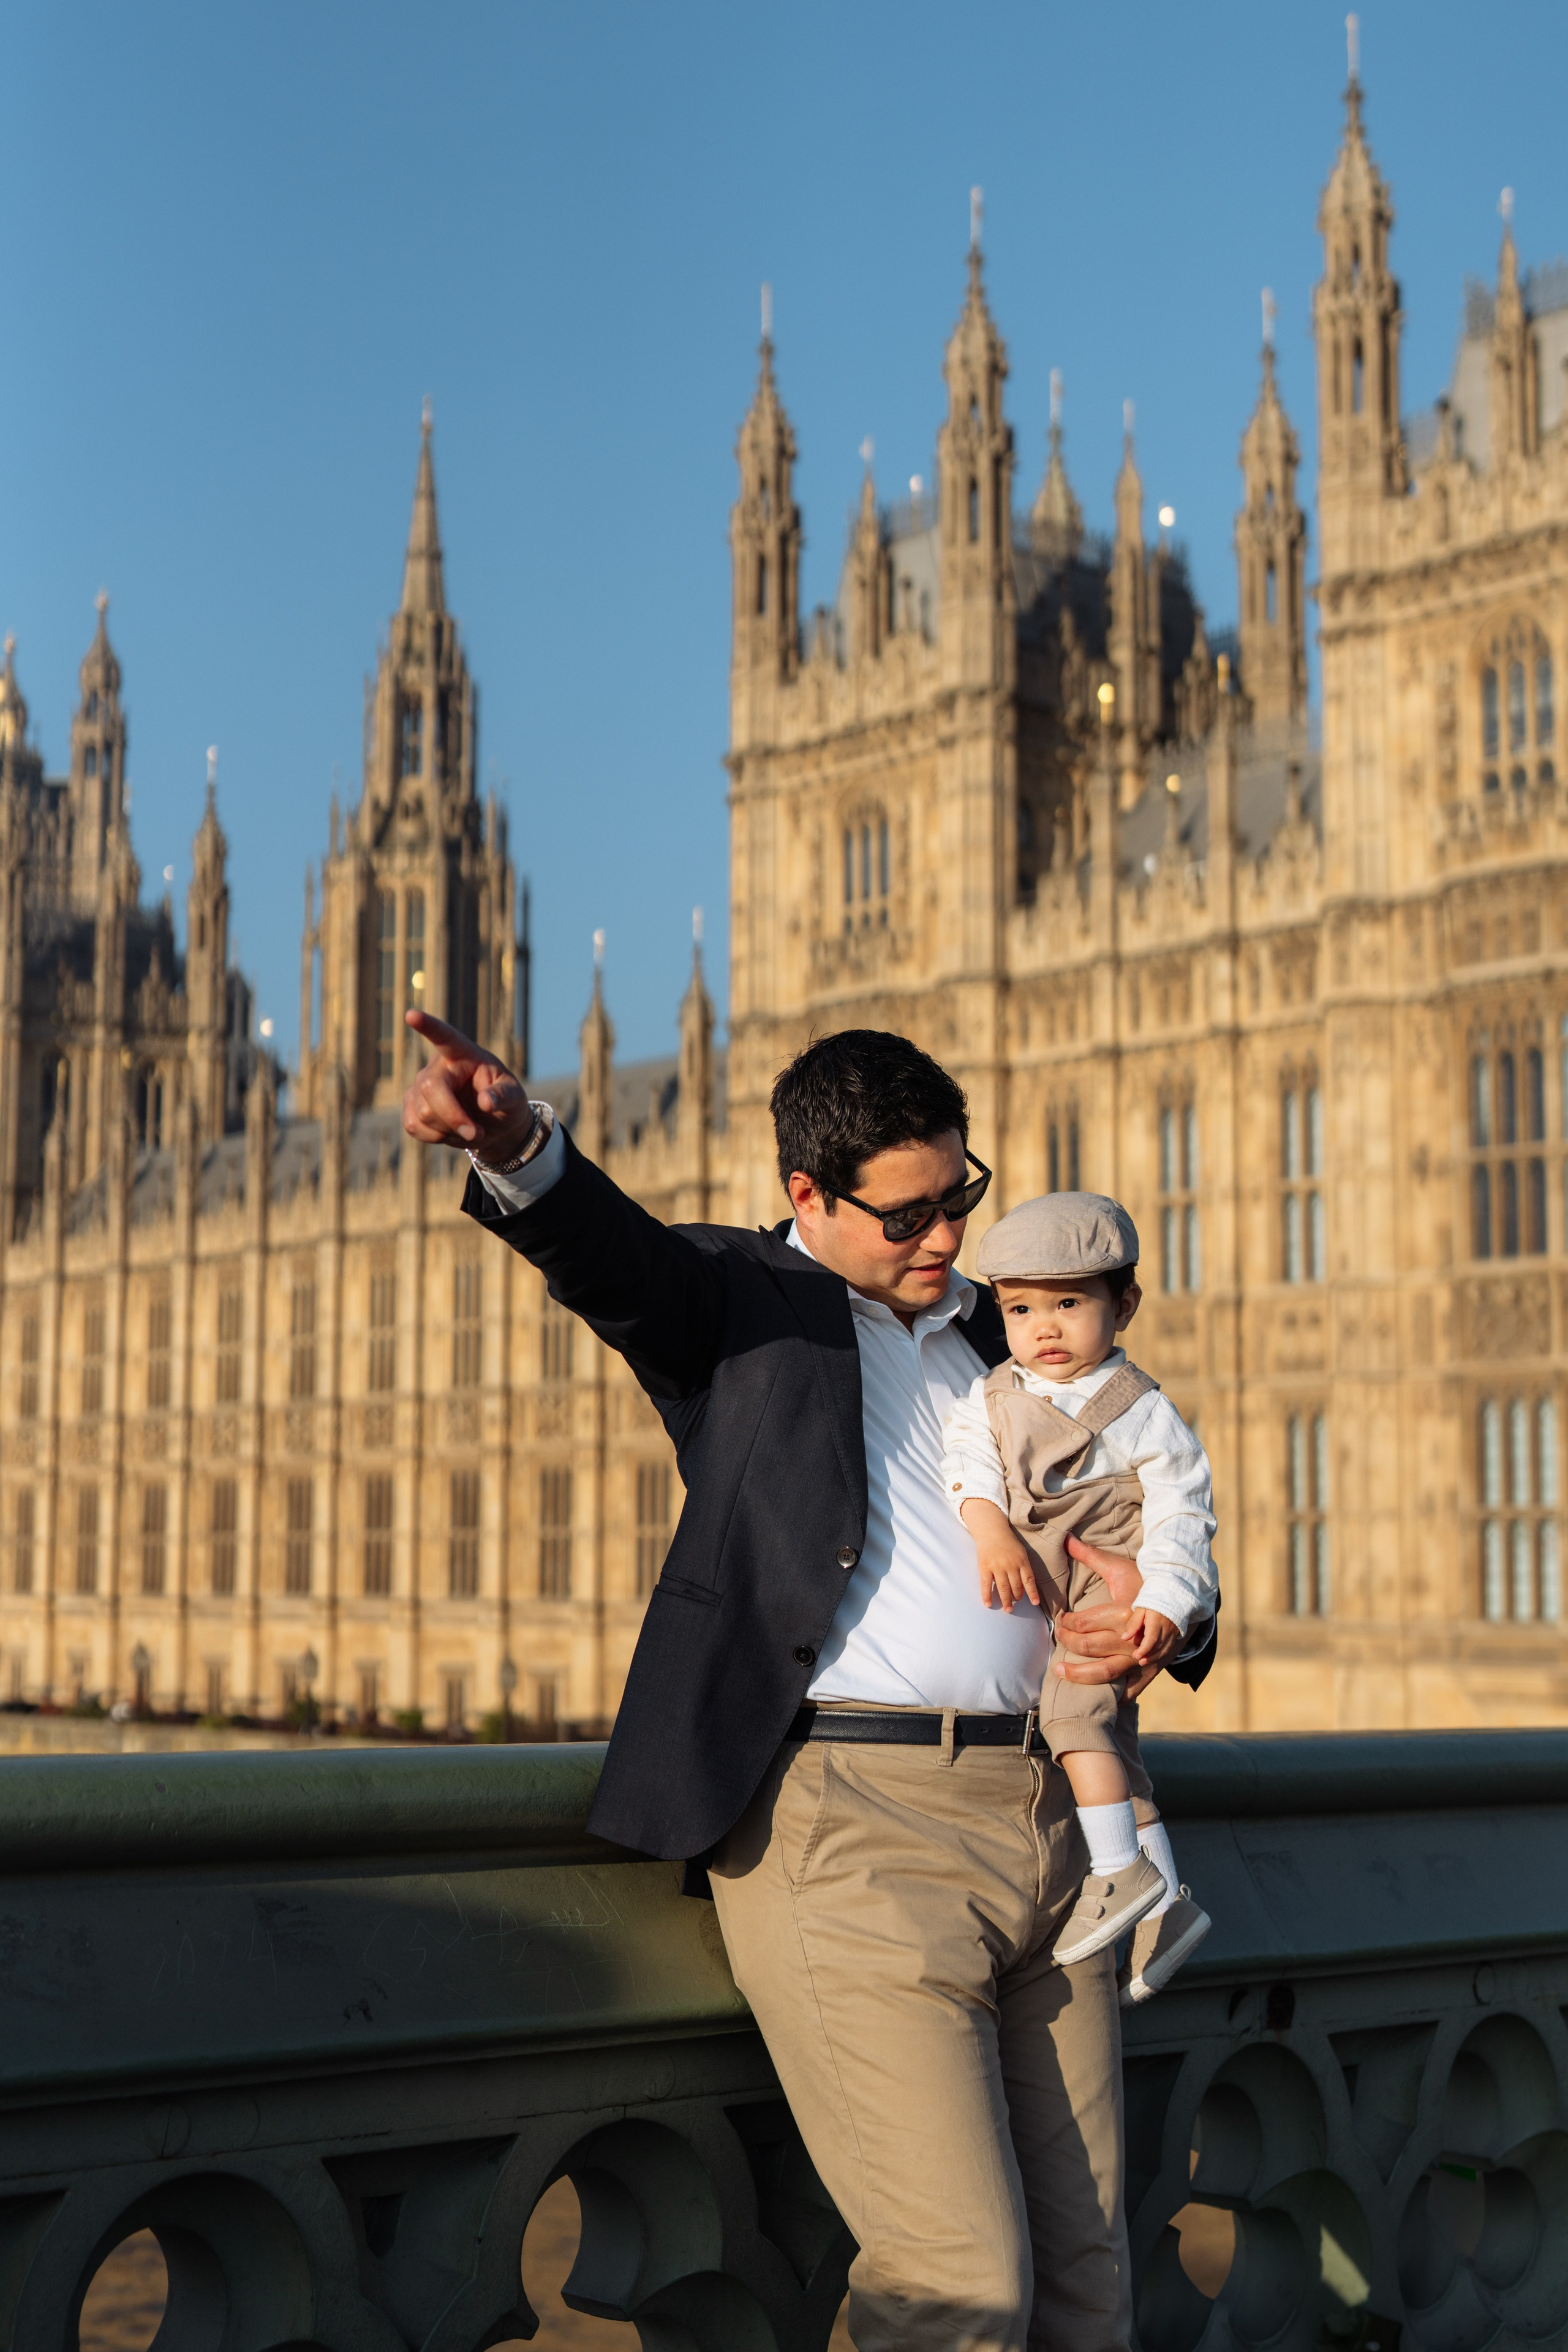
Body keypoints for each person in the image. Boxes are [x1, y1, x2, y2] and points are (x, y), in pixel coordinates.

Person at [401, 1013, 1218, 2352]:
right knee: (958, 2288)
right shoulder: (737, 1306)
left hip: (1059, 1825)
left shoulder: (1011, 1346)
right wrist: (518, 1147)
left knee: (1086, 2288)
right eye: (905, 1218)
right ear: (807, 1197)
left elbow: (1152, 1520)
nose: (945, 1241)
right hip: (854, 1832)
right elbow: (616, 1264)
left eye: (958, 1199)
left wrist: (1165, 1624)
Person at [940, 1192, 1215, 2004]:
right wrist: (988, 1528)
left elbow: (1183, 1511)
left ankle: (1120, 1872)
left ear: (1122, 1306)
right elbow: (971, 1462)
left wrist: (1168, 1610)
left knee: (1073, 1714)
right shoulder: (993, 1389)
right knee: (1117, 1756)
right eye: (1023, 1307)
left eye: (1069, 1303)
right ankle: (1166, 1908)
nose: (1045, 1326)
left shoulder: (1139, 1408)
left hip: (1098, 1589)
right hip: (1047, 1603)